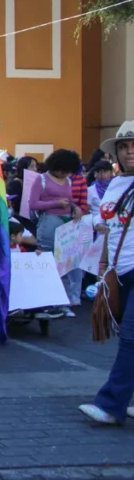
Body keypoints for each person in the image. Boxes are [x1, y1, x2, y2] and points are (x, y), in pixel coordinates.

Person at [79, 120, 134, 424]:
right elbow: (112, 228)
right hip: (119, 269)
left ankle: (111, 404)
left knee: (130, 337)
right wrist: (103, 266)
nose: (129, 152)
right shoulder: (115, 184)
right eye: (124, 146)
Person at [28, 149, 85, 315]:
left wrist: (76, 208)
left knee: (67, 262)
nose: (65, 174)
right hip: (48, 223)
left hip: (67, 224)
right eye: (64, 170)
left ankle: (65, 301)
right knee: (49, 263)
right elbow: (33, 204)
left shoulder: (67, 180)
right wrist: (55, 203)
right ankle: (49, 300)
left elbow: (71, 201)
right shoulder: (41, 179)